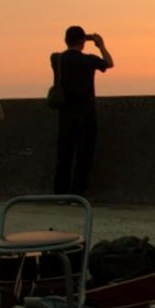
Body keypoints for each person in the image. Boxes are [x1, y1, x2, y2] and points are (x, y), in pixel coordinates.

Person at [51, 26, 113, 197]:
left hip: (65, 113)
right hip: (86, 113)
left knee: (64, 154)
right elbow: (109, 63)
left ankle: (60, 193)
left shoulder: (57, 59)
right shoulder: (89, 60)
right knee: (84, 155)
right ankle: (77, 193)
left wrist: (83, 38)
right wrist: (100, 45)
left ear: (65, 40)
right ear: (82, 42)